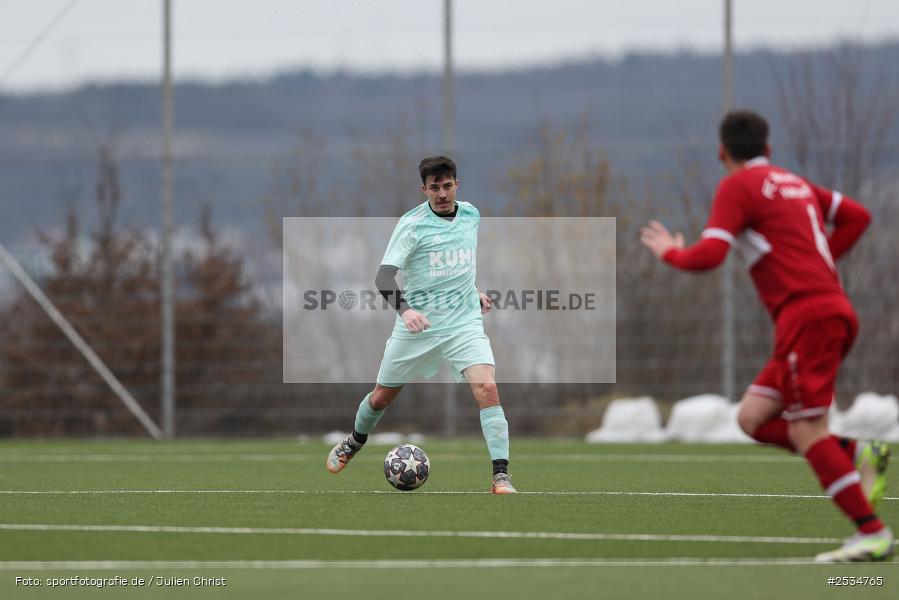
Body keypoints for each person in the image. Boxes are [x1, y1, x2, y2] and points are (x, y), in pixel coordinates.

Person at [640, 110, 892, 562]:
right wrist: (821, 264)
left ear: (722, 153)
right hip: (824, 311)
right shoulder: (793, 182)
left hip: (809, 317)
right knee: (752, 418)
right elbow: (857, 216)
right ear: (769, 150)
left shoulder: (738, 186)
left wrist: (672, 253)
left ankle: (871, 531)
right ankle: (857, 453)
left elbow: (712, 254)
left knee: (806, 430)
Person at [326, 155, 516, 494]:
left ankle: (500, 476)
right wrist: (405, 311)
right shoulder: (412, 224)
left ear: (456, 184)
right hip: (418, 326)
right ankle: (354, 441)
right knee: (381, 398)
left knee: (487, 388)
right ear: (423, 189)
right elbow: (383, 277)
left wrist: (474, 291)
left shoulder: (471, 215)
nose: (442, 194)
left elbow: (456, 265)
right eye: (434, 188)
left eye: (447, 186)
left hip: (463, 324)